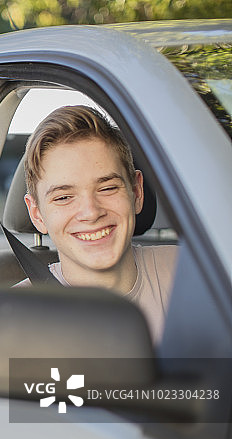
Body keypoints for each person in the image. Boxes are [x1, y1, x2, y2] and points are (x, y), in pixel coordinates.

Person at [20, 105, 178, 341]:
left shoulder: (193, 274)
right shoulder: (11, 318)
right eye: (63, 197)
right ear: (37, 214)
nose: (91, 212)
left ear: (136, 191)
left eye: (107, 188)